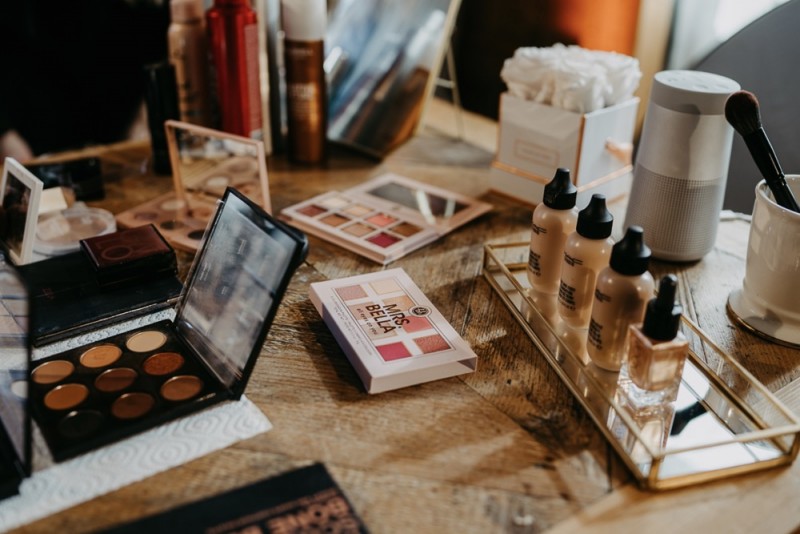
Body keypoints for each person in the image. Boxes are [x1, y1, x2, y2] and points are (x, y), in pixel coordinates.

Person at [0, 0, 170, 160]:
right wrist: (4, 133)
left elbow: (162, 30)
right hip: (35, 126)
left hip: (122, 127)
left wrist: (147, 108)